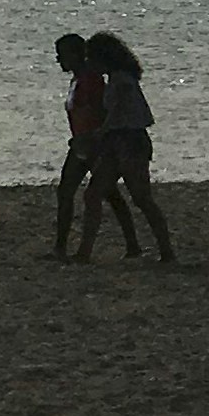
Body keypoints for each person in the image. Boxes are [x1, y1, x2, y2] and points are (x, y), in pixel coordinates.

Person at [74, 31, 175, 265]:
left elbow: (119, 114)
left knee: (141, 198)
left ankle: (167, 250)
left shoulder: (122, 82)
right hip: (117, 142)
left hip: (130, 142)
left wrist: (98, 134)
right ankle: (84, 252)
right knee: (94, 193)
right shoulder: (118, 80)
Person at [51, 33, 139, 261]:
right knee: (67, 191)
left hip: (95, 144)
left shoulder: (92, 80)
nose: (58, 61)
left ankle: (132, 244)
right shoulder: (78, 79)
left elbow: (102, 111)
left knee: (110, 195)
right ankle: (60, 247)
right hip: (80, 143)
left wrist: (96, 139)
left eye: (62, 56)